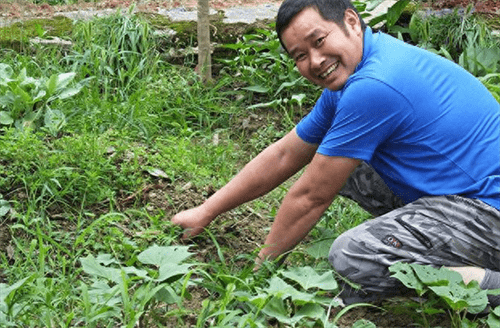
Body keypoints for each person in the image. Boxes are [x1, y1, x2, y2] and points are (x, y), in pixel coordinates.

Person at [172, 0, 500, 306]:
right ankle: (433, 251)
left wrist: (258, 276)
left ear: (351, 21)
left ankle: (490, 285)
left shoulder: (375, 85)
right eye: (299, 56)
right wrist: (206, 211)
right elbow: (286, 154)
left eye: (318, 41)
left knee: (354, 258)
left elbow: (311, 196)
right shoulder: (356, 72)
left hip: (488, 211)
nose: (314, 62)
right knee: (341, 164)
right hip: (460, 193)